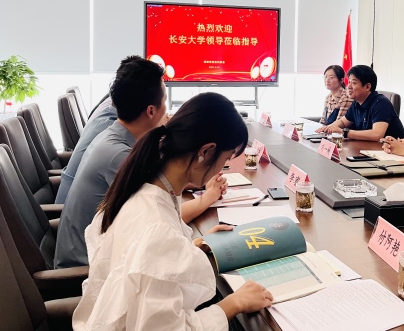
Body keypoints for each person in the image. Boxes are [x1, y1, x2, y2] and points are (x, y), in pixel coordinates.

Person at [72, 92, 273, 330]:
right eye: (226, 158)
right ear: (206, 152)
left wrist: (188, 248)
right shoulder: (158, 228)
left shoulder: (145, 186)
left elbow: (141, 264)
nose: (224, 167)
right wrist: (234, 303)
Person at [54, 58, 224, 268]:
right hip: (85, 267)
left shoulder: (114, 136)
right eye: (165, 101)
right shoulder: (119, 155)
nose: (167, 110)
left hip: (100, 251)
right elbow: (162, 214)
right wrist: (208, 197)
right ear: (151, 111)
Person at [317, 64, 404, 140]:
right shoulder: (356, 103)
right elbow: (343, 122)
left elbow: (377, 134)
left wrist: (344, 132)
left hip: (389, 150)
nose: (349, 86)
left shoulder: (381, 103)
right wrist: (328, 128)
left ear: (367, 87)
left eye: (353, 83)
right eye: (349, 82)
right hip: (368, 148)